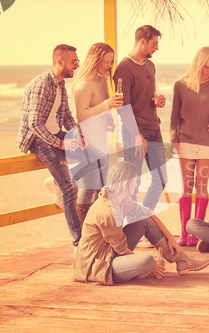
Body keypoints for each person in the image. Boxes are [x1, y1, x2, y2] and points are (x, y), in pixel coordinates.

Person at [73, 161, 209, 285]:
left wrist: (170, 238)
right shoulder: (109, 212)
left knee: (144, 221)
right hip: (98, 265)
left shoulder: (122, 199)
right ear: (125, 182)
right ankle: (140, 268)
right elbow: (121, 250)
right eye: (135, 180)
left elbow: (149, 213)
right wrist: (152, 268)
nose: (137, 183)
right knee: (147, 261)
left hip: (110, 251)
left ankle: (182, 261)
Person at [17, 44, 85, 247]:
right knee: (70, 190)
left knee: (93, 158)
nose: (77, 64)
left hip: (56, 134)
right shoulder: (41, 84)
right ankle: (79, 243)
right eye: (74, 61)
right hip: (38, 139)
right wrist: (61, 143)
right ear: (60, 62)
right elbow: (35, 124)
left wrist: (78, 136)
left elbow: (66, 115)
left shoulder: (60, 84)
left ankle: (55, 181)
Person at [170, 46, 209, 246]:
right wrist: (173, 139)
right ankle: (184, 234)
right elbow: (174, 115)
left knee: (201, 184)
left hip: (208, 141)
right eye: (206, 67)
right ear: (198, 63)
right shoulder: (180, 85)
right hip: (185, 139)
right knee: (187, 185)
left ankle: (196, 233)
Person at [113, 25, 167, 211]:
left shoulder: (150, 65)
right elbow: (123, 107)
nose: (157, 47)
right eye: (154, 43)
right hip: (134, 132)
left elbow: (145, 97)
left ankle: (141, 219)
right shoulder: (124, 68)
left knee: (161, 179)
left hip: (155, 129)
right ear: (142, 41)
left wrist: (157, 100)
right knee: (132, 184)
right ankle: (132, 225)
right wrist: (138, 136)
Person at [72, 42, 123, 223]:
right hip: (89, 145)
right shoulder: (84, 84)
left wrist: (108, 118)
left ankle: (96, 231)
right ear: (96, 60)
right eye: (107, 62)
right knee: (88, 193)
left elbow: (99, 108)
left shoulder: (101, 80)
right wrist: (107, 105)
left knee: (101, 191)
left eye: (111, 62)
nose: (109, 66)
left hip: (102, 144)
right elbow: (82, 115)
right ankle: (84, 236)